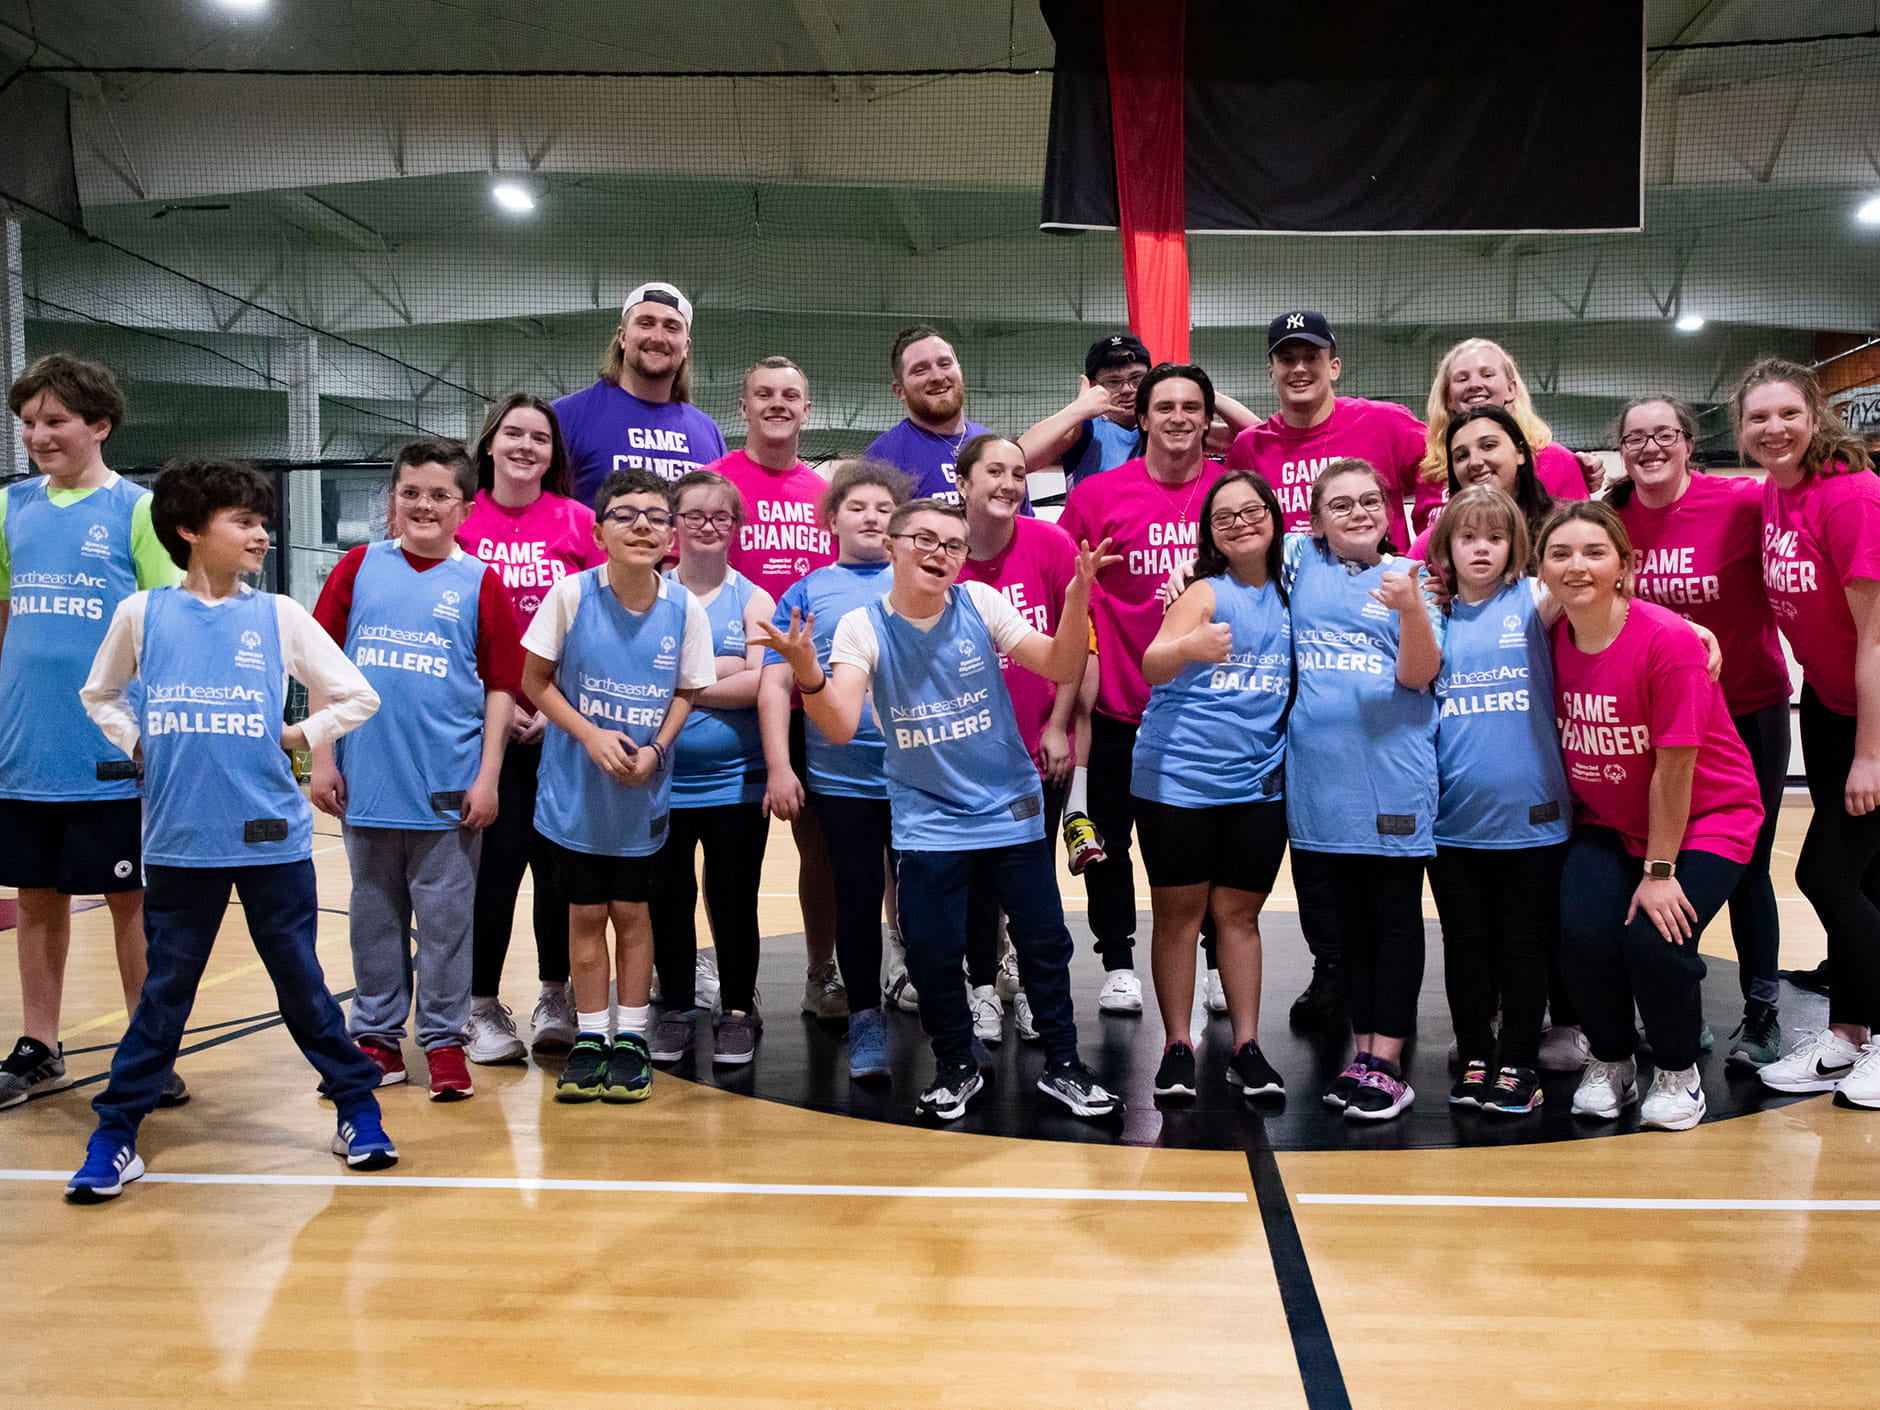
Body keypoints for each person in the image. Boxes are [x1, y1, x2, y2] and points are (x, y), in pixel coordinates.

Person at [67, 458, 391, 1202]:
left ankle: (356, 1107)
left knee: (303, 987)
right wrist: (137, 740)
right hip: (179, 839)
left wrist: (296, 735)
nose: (261, 534)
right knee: (164, 995)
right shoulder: (141, 614)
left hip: (272, 837)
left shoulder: (276, 615)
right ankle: (116, 1133)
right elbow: (101, 694)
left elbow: (358, 694)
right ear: (189, 529)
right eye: (243, 520)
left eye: (262, 521)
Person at [757, 498, 1124, 1122]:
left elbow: (1061, 663)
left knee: (1042, 941)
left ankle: (1064, 1064)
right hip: (927, 816)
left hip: (1007, 805)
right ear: (895, 546)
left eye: (954, 545)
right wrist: (808, 675)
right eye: (925, 539)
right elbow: (841, 725)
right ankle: (956, 1064)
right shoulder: (862, 627)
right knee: (930, 949)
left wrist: (1075, 601)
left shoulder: (980, 603)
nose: (940, 553)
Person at [1540, 500, 1763, 1130]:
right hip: (1608, 822)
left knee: (1653, 934)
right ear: (1543, 569)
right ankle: (1612, 1061)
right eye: (1560, 553)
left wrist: (1660, 869)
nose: (1576, 566)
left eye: (1594, 552)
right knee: (1581, 934)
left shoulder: (1667, 640)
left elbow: (1676, 770)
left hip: (1705, 818)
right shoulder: (1550, 635)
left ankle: (1676, 1070)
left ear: (1624, 567)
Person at [310, 438, 522, 1101]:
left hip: (449, 787)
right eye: (411, 493)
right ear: (392, 501)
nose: (424, 505)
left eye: (439, 495)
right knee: (372, 915)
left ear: (465, 506)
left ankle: (443, 1039)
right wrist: (320, 758)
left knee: (447, 921)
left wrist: (488, 776)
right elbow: (319, 666)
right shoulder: (357, 567)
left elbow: (500, 688)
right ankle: (375, 1035)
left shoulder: (480, 582)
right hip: (367, 779)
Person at [0, 355, 184, 1112]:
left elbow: (167, 625)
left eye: (54, 421)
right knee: (36, 898)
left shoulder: (136, 511)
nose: (38, 435)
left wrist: (160, 731)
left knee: (130, 900)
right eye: (29, 422)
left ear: (99, 425)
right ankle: (40, 1045)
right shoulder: (10, 508)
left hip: (112, 750)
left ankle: (148, 1050)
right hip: (24, 747)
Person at [1607, 396, 1792, 1068]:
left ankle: (1763, 1011)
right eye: (1636, 437)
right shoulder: (1615, 518)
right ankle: (1674, 1002)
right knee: (1659, 857)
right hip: (1652, 723)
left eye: (1664, 435)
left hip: (1746, 710)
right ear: (1621, 450)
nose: (1651, 447)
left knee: (1745, 865)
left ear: (1689, 442)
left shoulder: (1740, 504)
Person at [520, 469, 714, 1105]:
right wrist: (590, 735)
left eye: (657, 517)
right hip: (574, 793)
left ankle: (631, 1037)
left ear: (672, 535)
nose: (642, 526)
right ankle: (591, 1036)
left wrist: (658, 747)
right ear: (599, 530)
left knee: (634, 915)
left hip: (642, 794)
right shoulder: (570, 597)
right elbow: (535, 682)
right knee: (583, 917)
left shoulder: (684, 607)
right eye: (626, 514)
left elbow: (688, 688)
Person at [1056, 362, 1226, 1013]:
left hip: (1212, 715)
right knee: (1107, 841)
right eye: (1165, 406)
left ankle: (1214, 960)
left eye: (1192, 406)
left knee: (1201, 844)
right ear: (1143, 417)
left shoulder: (1231, 491)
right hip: (1121, 707)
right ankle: (1119, 960)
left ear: (1207, 418)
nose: (1179, 417)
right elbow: (1070, 594)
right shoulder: (1098, 496)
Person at [1738, 358, 1880, 1107]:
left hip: (1873, 711)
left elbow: (1877, 637)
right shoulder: (1773, 493)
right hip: (1828, 703)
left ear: (1815, 415)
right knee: (1863, 878)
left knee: (1821, 874)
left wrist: (1871, 753)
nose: (1773, 429)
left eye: (1787, 413)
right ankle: (1850, 1033)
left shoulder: (1851, 496)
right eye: (1758, 418)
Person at [1285, 459, 1444, 1120]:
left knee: (1393, 918)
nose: (1357, 512)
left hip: (1392, 775)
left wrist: (1409, 610)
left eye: (1369, 501)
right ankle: (1362, 1051)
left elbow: (1420, 673)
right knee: (1346, 927)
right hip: (1321, 781)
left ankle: (1390, 1060)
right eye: (1341, 504)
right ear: (1317, 518)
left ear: (1388, 509)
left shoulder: (1411, 575)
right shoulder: (1300, 563)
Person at [1136, 471, 1292, 1101]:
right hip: (1179, 780)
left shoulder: (1293, 590)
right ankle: (1178, 1043)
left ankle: (1246, 1046)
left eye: (1250, 510)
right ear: (1211, 535)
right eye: (1223, 517)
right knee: (1178, 917)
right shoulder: (1204, 592)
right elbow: (1152, 662)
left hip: (1257, 784)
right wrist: (1191, 646)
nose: (1240, 523)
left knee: (1239, 917)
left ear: (1275, 517)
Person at [457, 395, 602, 1061]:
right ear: (489, 444)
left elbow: (598, 624)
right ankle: (479, 1004)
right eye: (512, 433)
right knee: (493, 872)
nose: (525, 446)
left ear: (554, 453)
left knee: (559, 870)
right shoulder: (462, 521)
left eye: (539, 437)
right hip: (482, 726)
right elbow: (448, 625)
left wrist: (550, 703)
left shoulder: (577, 522)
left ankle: (556, 995)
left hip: (562, 725)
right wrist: (502, 701)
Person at [1421, 486, 1572, 1116]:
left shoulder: (1534, 599)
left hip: (1533, 817)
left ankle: (1519, 1062)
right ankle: (1476, 1052)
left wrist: (1692, 627)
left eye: (1495, 537)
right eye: (1467, 538)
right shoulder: (1432, 612)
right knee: (1466, 945)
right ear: (1446, 548)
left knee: (1524, 945)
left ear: (1515, 545)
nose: (1481, 548)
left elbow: (1610, 595)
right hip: (1452, 819)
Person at [759, 461, 909, 1077]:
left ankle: (950, 1005)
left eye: (883, 508)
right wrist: (778, 764)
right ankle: (864, 1017)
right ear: (831, 520)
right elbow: (775, 682)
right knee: (856, 895)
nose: (872, 517)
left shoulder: (920, 580)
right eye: (857, 507)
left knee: (924, 899)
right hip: (843, 775)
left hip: (919, 774)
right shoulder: (807, 591)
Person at [700, 357, 841, 1015]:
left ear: (807, 410)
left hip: (806, 693)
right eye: (764, 394)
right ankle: (721, 984)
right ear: (743, 405)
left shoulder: (820, 493)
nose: (778, 404)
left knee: (820, 846)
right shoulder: (715, 483)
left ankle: (821, 974)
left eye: (791, 394)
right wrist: (724, 666)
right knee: (727, 861)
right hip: (729, 701)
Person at [646, 470, 776, 1066]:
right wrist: (717, 669)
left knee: (732, 900)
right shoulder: (649, 591)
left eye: (720, 517)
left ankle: (739, 1012)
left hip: (735, 783)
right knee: (668, 900)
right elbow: (637, 678)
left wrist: (682, 682)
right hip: (660, 782)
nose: (706, 525)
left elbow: (758, 684)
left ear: (736, 528)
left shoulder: (753, 598)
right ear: (673, 525)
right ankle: (674, 1006)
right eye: (693, 515)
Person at [956, 433, 1080, 1042]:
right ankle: (981, 987)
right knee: (978, 879)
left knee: (1032, 874)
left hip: (1037, 747)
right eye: (994, 472)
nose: (1008, 483)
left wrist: (1059, 727)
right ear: (963, 485)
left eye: (1018, 472)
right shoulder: (943, 554)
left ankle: (1031, 986)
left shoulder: (1050, 544)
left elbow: (1078, 647)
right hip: (964, 753)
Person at [1226, 311, 1426, 546]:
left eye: (1311, 358)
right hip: (1288, 582)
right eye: (1287, 360)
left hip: (1376, 581)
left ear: (1334, 367)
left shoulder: (1385, 422)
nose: (1299, 368)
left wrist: (1428, 549)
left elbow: (1446, 470)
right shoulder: (1249, 447)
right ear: (1271, 371)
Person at [553, 281, 727, 504]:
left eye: (671, 327)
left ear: (685, 347)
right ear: (622, 337)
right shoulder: (566, 416)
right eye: (646, 324)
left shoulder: (708, 433)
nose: (657, 337)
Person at [1414, 337, 1599, 527]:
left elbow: (1583, 533)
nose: (1475, 384)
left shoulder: (1558, 461)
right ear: (1448, 397)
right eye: (1462, 379)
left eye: (1487, 375)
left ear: (1511, 389)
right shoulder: (1431, 470)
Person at [866, 325, 1014, 509]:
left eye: (945, 364)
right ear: (899, 391)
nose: (937, 376)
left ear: (960, 372)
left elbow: (1023, 527)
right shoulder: (884, 457)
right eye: (920, 370)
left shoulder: (994, 446)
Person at [1408, 405, 1554, 564]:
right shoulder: (1432, 543)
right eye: (1462, 456)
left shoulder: (1562, 526)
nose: (1475, 462)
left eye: (1488, 446)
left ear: (1520, 453)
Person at [1018, 333, 1153, 489]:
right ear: (1094, 386)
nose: (1127, 389)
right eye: (1113, 381)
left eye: (1136, 378)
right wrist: (1078, 409)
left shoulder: (1166, 423)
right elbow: (1016, 461)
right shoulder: (1085, 428)